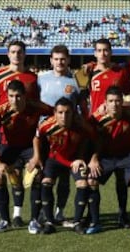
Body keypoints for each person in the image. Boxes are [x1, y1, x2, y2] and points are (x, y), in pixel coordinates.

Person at [0, 40, 39, 228]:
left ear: (25, 54)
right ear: (8, 54)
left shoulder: (32, 77)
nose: (16, 55)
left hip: (22, 133)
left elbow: (36, 105)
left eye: (20, 52)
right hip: (0, 133)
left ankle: (17, 215)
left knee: (16, 175)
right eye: (13, 52)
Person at [0, 80, 52, 234]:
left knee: (37, 175)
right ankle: (4, 220)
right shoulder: (0, 111)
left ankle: (34, 220)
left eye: (18, 96)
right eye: (11, 96)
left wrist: (40, 149)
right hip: (10, 147)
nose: (14, 100)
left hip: (30, 146)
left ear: (25, 96)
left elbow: (54, 112)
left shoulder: (36, 105)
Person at [83, 38, 130, 228]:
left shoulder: (120, 72)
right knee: (92, 175)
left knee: (121, 177)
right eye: (99, 50)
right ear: (94, 53)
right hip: (96, 128)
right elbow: (80, 97)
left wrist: (125, 107)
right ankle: (92, 215)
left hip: (118, 129)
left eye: (106, 50)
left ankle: (123, 214)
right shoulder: (88, 72)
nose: (103, 54)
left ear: (111, 52)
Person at [37, 45, 88, 227]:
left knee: (65, 179)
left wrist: (84, 123)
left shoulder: (75, 80)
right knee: (42, 174)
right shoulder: (41, 79)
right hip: (45, 136)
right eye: (56, 59)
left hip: (68, 136)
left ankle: (59, 211)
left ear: (68, 60)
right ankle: (41, 213)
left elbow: (82, 106)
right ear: (51, 60)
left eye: (63, 59)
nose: (59, 62)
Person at [28, 97, 94, 234]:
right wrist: (36, 157)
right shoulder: (47, 125)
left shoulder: (80, 124)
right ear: (55, 113)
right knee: (46, 182)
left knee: (83, 183)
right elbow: (37, 138)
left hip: (75, 159)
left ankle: (77, 222)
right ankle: (49, 222)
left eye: (67, 112)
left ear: (73, 113)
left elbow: (92, 137)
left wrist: (82, 157)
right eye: (60, 112)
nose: (64, 116)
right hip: (54, 159)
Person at [88, 86, 130, 236]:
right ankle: (95, 222)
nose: (114, 104)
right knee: (91, 180)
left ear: (122, 102)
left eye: (118, 101)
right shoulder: (97, 119)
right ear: (105, 103)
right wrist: (93, 159)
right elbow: (89, 139)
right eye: (111, 101)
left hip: (128, 156)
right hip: (106, 156)